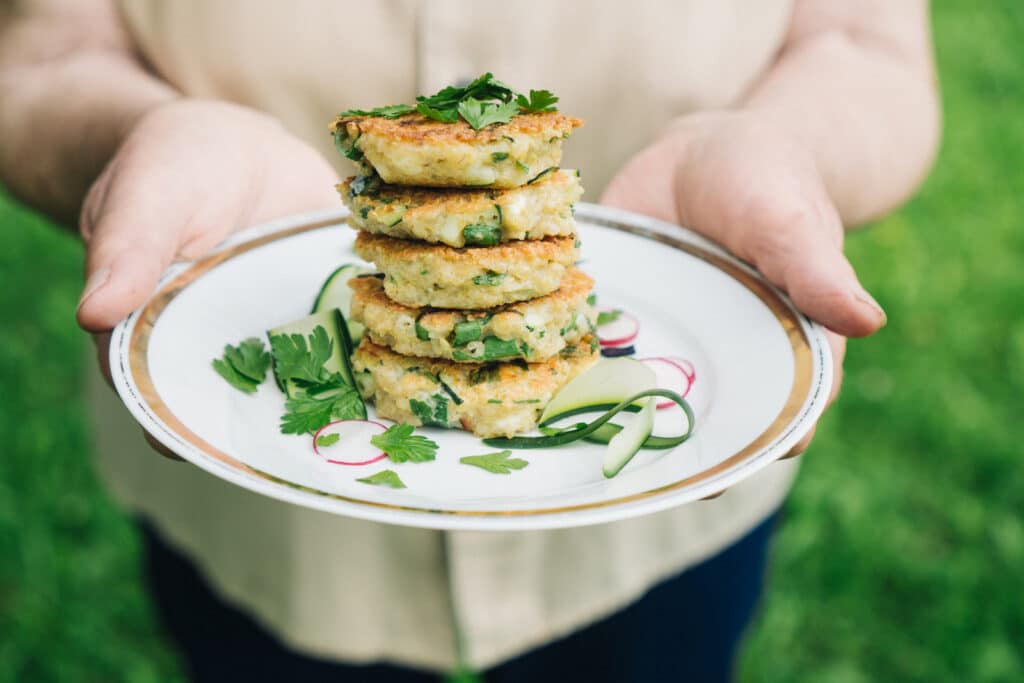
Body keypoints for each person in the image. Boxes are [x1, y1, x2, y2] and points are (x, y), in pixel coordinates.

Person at [0, 1, 939, 681]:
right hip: (253, 511)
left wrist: (788, 150)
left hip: (668, 507)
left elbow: (862, 39)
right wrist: (134, 138)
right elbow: (40, 52)